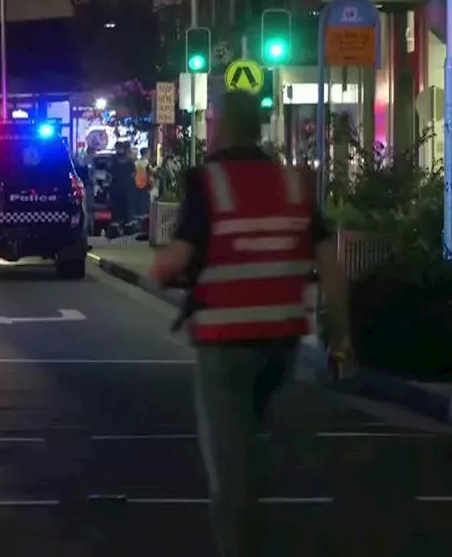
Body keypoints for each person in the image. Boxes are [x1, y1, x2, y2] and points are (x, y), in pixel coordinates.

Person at [147, 91, 353, 557]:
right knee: (256, 446)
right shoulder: (295, 182)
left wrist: (157, 273)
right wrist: (341, 338)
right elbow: (333, 269)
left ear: (219, 126)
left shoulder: (208, 181)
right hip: (282, 343)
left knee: (228, 472)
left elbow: (179, 256)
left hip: (224, 346)